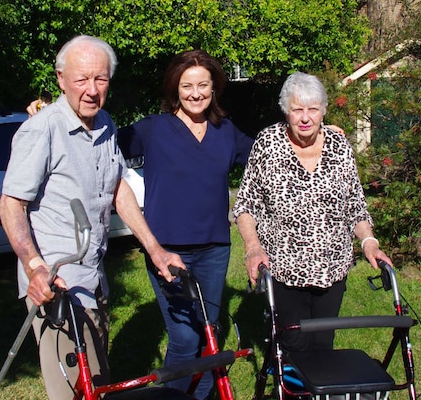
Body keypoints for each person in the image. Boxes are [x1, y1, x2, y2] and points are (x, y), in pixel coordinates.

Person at [27, 49, 253, 400]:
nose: (195, 93)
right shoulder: (154, 129)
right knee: (185, 336)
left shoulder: (226, 132)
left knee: (209, 330)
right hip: (166, 249)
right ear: (174, 88)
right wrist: (47, 114)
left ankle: (203, 395)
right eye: (187, 85)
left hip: (214, 249)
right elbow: (92, 141)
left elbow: (266, 154)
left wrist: (315, 133)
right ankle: (173, 396)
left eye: (203, 85)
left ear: (214, 88)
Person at [0, 35, 184, 400]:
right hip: (57, 285)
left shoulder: (105, 124)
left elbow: (118, 188)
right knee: (76, 391)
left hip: (93, 277)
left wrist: (154, 249)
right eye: (81, 79)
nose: (91, 89)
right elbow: (11, 204)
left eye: (100, 79)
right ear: (60, 79)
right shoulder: (42, 129)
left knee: (96, 383)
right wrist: (35, 268)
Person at [232, 72, 392, 352]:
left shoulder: (339, 146)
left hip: (333, 267)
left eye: (313, 109)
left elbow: (355, 204)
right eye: (297, 110)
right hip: (284, 268)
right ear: (286, 111)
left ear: (323, 111)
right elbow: (246, 204)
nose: (305, 117)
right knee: (293, 344)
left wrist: (369, 243)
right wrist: (253, 247)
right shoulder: (267, 144)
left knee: (323, 344)